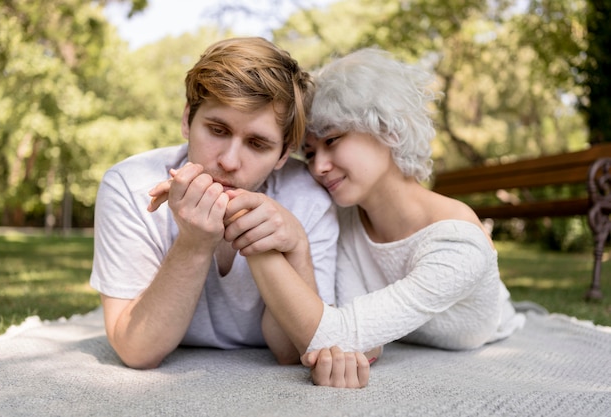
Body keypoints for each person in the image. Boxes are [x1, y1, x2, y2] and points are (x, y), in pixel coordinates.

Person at [246, 48, 526, 388]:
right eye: (310, 153)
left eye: (332, 140)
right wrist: (346, 343)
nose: (319, 167)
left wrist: (245, 224)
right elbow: (336, 329)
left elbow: (334, 333)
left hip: (485, 329)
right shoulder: (345, 217)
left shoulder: (458, 243)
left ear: (388, 130)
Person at [89, 37, 338, 369]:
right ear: (187, 119)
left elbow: (293, 352)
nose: (230, 161)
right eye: (218, 130)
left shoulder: (308, 199)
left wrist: (294, 247)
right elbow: (136, 350)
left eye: (257, 144)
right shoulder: (130, 184)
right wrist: (194, 244)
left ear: (282, 154)